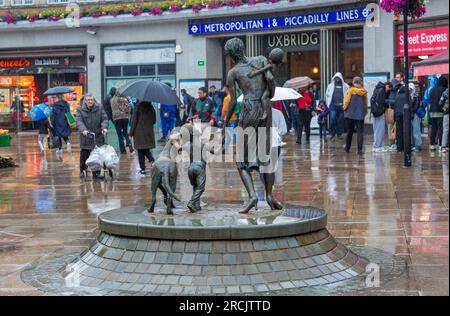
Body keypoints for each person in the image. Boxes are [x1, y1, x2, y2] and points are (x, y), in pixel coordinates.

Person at [76, 94, 109, 180]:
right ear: (85, 101)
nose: (90, 101)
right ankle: (82, 170)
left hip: (97, 135)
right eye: (88, 100)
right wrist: (83, 130)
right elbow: (79, 121)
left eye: (92, 100)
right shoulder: (80, 109)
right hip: (86, 136)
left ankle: (96, 173)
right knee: (85, 153)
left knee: (97, 154)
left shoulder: (100, 107)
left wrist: (104, 128)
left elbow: (105, 119)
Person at [129, 101, 156, 176]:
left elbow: (134, 121)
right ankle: (152, 161)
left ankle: (143, 170)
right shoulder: (151, 107)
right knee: (146, 149)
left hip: (139, 132)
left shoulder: (137, 107)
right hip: (148, 131)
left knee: (140, 151)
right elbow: (154, 121)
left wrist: (131, 133)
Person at [343, 77, 368, 155]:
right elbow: (366, 103)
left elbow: (346, 101)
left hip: (350, 114)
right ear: (361, 83)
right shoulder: (364, 92)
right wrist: (365, 111)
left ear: (353, 83)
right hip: (360, 114)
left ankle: (347, 148)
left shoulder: (350, 90)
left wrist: (344, 108)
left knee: (349, 131)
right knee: (360, 132)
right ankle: (359, 150)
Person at [326, 72, 349, 141]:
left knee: (340, 120)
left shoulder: (346, 86)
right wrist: (328, 103)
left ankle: (339, 134)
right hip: (333, 106)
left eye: (338, 78)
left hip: (342, 106)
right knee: (332, 118)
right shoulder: (330, 85)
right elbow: (327, 94)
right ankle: (332, 134)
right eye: (336, 78)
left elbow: (348, 95)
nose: (337, 79)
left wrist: (346, 104)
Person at [429, 76, 449, 151]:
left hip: (432, 112)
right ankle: (441, 144)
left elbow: (430, 100)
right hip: (441, 112)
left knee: (434, 128)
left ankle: (432, 145)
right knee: (441, 129)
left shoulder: (432, 89)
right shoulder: (444, 89)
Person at [372, 82, 392, 152]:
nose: (389, 90)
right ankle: (377, 146)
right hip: (379, 112)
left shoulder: (377, 89)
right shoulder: (382, 91)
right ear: (386, 86)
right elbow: (382, 102)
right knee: (380, 130)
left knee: (376, 129)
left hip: (374, 111)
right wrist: (389, 103)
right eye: (389, 88)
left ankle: (376, 145)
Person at [219, 85, 238, 152]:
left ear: (227, 88)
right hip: (234, 118)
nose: (223, 89)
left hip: (229, 118)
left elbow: (224, 110)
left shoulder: (227, 98)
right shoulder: (235, 97)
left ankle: (241, 147)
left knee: (232, 134)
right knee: (228, 134)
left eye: (224, 87)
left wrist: (221, 119)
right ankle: (225, 148)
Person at [393, 85, 411, 152]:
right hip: (405, 115)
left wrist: (394, 117)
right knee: (406, 131)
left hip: (398, 115)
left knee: (399, 131)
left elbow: (395, 107)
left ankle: (399, 147)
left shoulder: (397, 96)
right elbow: (410, 105)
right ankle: (405, 147)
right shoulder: (407, 96)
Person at [385, 78, 402, 151]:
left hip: (397, 111)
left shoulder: (399, 90)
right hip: (391, 112)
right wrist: (394, 102)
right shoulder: (389, 92)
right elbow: (385, 100)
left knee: (396, 128)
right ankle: (392, 143)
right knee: (390, 127)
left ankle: (396, 143)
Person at [409, 83, 422, 152]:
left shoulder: (416, 96)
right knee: (410, 131)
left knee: (416, 130)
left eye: (411, 89)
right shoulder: (407, 96)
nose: (410, 90)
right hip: (409, 115)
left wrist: (411, 112)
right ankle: (411, 145)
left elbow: (416, 107)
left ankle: (418, 145)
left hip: (414, 115)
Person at [440, 87, 449, 153]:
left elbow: (440, 103)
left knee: (445, 130)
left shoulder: (444, 93)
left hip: (446, 113)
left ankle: (443, 147)